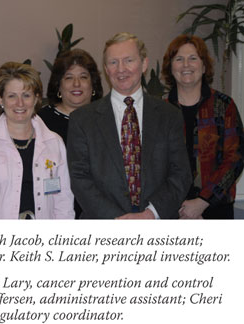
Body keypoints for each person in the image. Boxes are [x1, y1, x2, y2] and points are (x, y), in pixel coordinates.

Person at [67, 32, 191, 219]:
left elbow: (181, 174)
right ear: (106, 69)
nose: (121, 69)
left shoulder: (169, 115)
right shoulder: (82, 120)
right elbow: (79, 178)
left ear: (144, 64)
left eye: (128, 60)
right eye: (113, 62)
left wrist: (151, 214)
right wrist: (116, 219)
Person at [0, 62, 74, 219]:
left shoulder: (55, 143)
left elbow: (64, 204)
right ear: (0, 99)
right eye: (12, 96)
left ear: (35, 99)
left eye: (26, 95)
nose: (19, 103)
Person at [162, 35, 244, 219]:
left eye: (193, 58)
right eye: (179, 59)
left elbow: (235, 157)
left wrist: (202, 201)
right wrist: (180, 207)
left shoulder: (224, 105)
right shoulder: (160, 110)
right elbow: (154, 165)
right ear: (170, 67)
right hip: (172, 210)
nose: (186, 65)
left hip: (216, 208)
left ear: (204, 65)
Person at [39, 48, 103, 144]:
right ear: (59, 85)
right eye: (69, 78)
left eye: (83, 77)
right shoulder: (41, 121)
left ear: (93, 83)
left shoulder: (106, 119)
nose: (76, 84)